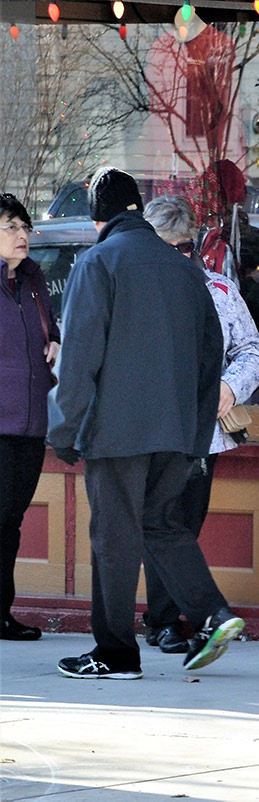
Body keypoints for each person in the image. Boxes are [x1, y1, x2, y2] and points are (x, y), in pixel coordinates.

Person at [46, 167, 242, 679]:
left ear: (97, 217)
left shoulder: (98, 261)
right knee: (162, 527)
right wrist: (197, 431)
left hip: (116, 433)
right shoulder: (185, 269)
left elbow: (79, 359)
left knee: (114, 538)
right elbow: (211, 354)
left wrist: (64, 431)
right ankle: (212, 615)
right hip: (179, 432)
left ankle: (115, 654)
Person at [140, 195, 259, 654]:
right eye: (166, 247)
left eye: (185, 248)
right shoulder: (135, 292)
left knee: (182, 525)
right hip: (146, 428)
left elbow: (254, 350)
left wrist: (229, 389)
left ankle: (168, 619)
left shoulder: (219, 290)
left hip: (203, 431)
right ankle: (162, 621)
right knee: (159, 522)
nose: (178, 257)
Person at [0, 194, 60, 641]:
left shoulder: (35, 281)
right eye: (10, 227)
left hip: (30, 423)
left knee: (11, 520)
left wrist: (54, 342)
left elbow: (46, 330)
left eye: (24, 227)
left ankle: (2, 612)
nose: (23, 236)